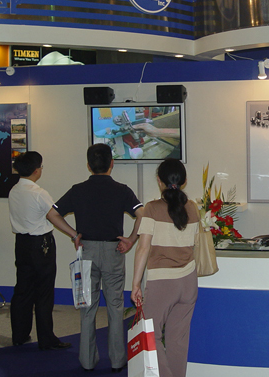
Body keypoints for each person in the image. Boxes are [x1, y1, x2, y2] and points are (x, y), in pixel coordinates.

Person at [46, 143, 144, 373]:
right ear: (112, 163)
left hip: (86, 250)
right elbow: (143, 214)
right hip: (113, 251)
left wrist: (74, 234)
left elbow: (52, 213)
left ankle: (88, 361)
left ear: (89, 165)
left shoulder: (77, 189)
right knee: (115, 307)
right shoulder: (122, 190)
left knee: (87, 307)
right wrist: (131, 239)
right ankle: (117, 361)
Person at [131, 158, 199, 377]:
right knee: (178, 339)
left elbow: (143, 248)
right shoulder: (193, 208)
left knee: (150, 335)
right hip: (188, 281)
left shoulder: (152, 209)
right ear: (183, 181)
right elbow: (195, 243)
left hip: (162, 282)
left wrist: (135, 284)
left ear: (159, 181)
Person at [8, 151, 70, 350]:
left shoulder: (14, 190)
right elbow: (54, 216)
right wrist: (74, 234)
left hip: (21, 243)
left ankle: (19, 335)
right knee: (44, 292)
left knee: (22, 290)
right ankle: (46, 339)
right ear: (36, 170)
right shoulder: (38, 192)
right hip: (41, 245)